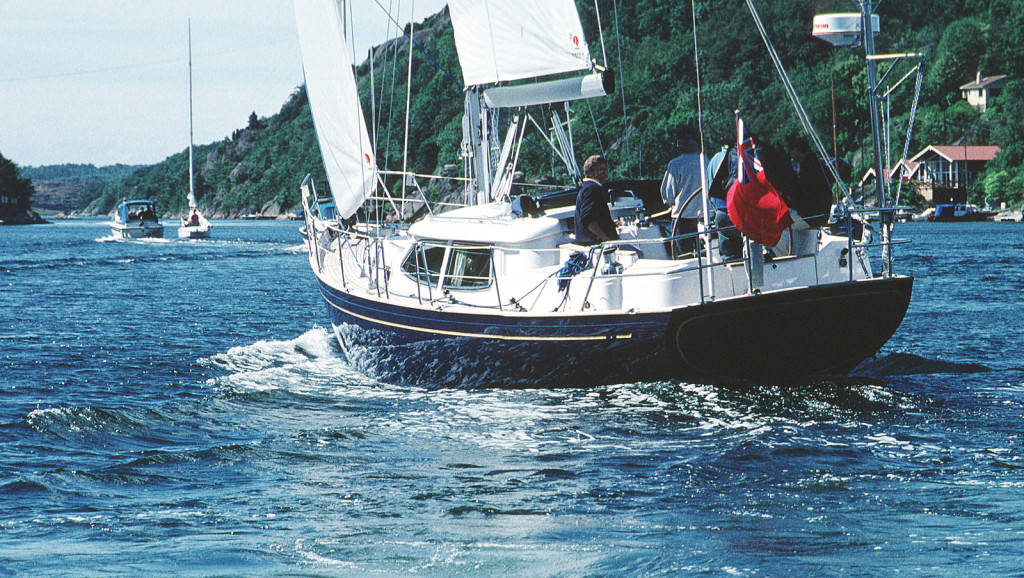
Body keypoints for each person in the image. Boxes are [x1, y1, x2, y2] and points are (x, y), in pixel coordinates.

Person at [660, 128, 704, 257]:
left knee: (684, 257)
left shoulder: (675, 164)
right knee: (706, 254)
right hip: (705, 216)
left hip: (682, 218)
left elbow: (667, 194)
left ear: (680, 145)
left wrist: (670, 203)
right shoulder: (706, 161)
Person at [574, 155, 619, 245]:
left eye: (605, 169)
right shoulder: (592, 189)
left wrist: (610, 224)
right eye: (599, 169)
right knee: (639, 254)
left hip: (589, 243)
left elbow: (593, 216)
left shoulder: (587, 188)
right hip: (596, 244)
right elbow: (587, 219)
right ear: (589, 173)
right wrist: (604, 238)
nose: (603, 172)